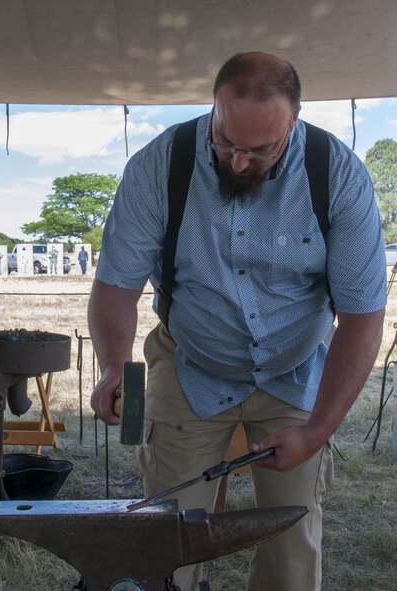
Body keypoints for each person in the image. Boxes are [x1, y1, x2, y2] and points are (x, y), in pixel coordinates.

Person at [88, 52, 386, 591]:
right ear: (213, 108)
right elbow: (116, 283)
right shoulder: (160, 164)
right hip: (191, 366)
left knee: (291, 541)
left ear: (293, 123)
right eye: (225, 143)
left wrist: (318, 430)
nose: (239, 162)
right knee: (167, 534)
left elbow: (363, 318)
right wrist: (114, 365)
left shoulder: (338, 174)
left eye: (260, 150)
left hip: (294, 374)